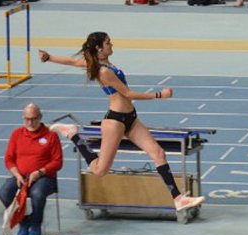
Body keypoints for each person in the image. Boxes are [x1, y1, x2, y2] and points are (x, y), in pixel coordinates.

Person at [38, 33, 205, 212]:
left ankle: (178, 199)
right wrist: (159, 95)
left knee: (158, 153)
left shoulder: (98, 63)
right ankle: (73, 134)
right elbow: (128, 93)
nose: (112, 45)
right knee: (99, 171)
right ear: (99, 48)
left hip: (131, 118)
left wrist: (49, 58)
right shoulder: (103, 71)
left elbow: (71, 62)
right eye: (108, 43)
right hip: (115, 122)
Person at [0, 103, 63, 235]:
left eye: (33, 119)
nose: (30, 122)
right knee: (4, 193)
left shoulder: (51, 136)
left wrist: (39, 172)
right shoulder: (16, 134)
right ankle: (23, 220)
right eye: (27, 119)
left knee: (37, 194)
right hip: (20, 176)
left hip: (44, 178)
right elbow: (9, 159)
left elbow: (57, 162)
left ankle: (36, 222)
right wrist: (16, 174)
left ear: (40, 118)